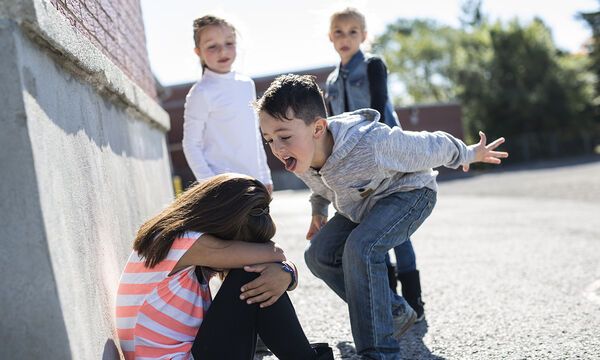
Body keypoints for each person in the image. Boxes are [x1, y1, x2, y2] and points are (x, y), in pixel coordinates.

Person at [255, 74, 508, 359]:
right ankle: (393, 311)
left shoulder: (370, 143)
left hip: (409, 194)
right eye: (269, 139)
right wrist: (318, 210)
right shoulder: (301, 157)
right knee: (318, 255)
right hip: (361, 206)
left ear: (317, 128)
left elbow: (428, 145)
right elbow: (320, 186)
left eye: (284, 136)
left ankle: (380, 351)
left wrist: (468, 153)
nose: (277, 148)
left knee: (361, 248)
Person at [115, 173, 334, 360]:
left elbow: (275, 260)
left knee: (256, 274)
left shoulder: (175, 239)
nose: (239, 250)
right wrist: (285, 269)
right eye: (240, 243)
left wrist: (287, 273)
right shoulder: (184, 242)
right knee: (249, 275)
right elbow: (275, 254)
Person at [324, 7, 424, 321]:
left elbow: (379, 109)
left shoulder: (372, 66)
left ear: (364, 36)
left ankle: (414, 301)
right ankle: (392, 303)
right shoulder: (330, 81)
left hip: (386, 157)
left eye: (353, 31)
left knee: (398, 231)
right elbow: (332, 125)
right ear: (330, 37)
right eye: (339, 32)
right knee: (370, 229)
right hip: (353, 166)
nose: (346, 37)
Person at [182, 15, 273, 193]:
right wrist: (210, 184)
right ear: (198, 52)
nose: (222, 51)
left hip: (254, 183)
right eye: (212, 46)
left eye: (229, 43)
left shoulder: (247, 84)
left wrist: (265, 176)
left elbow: (254, 135)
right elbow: (191, 144)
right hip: (223, 188)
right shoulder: (201, 93)